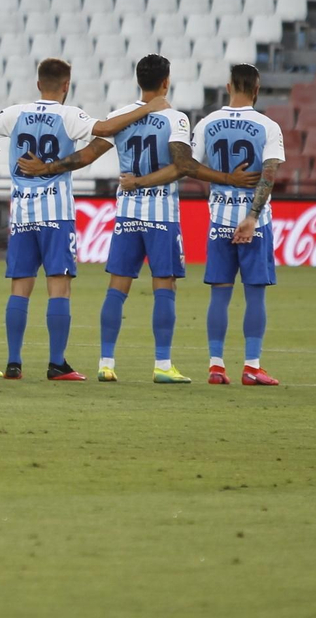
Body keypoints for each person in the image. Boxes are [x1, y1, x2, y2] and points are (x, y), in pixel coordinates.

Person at [0, 57, 155, 380]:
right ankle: (57, 363)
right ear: (66, 86)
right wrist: (146, 107)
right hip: (56, 215)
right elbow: (103, 130)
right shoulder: (69, 115)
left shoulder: (15, 113)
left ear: (37, 84)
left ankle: (14, 363)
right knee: (58, 288)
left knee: (20, 288)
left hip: (22, 215)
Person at [121, 63, 282, 386]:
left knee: (219, 295)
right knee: (255, 296)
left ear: (227, 87)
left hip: (219, 220)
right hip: (254, 223)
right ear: (256, 89)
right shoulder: (269, 127)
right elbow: (269, 175)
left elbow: (189, 166)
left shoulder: (207, 123)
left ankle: (216, 365)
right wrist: (251, 217)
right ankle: (251, 366)